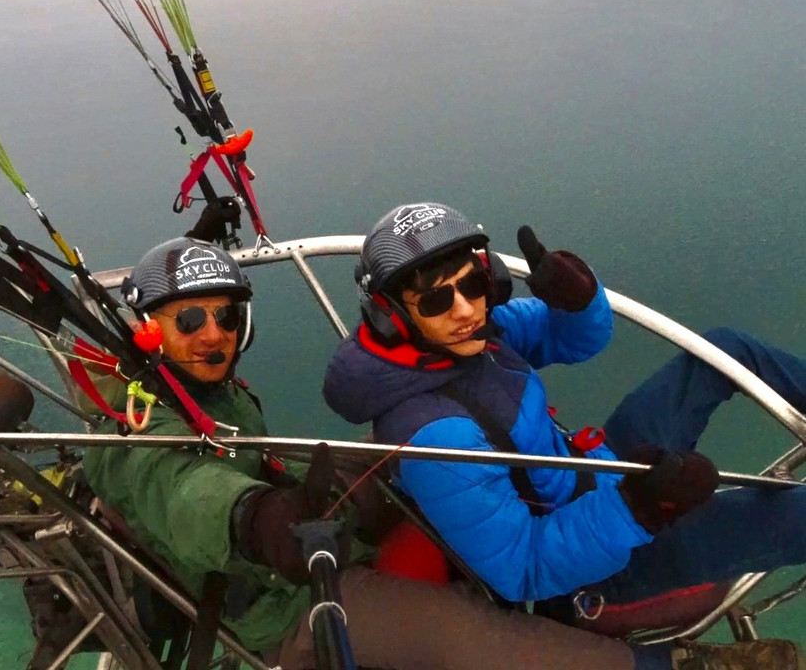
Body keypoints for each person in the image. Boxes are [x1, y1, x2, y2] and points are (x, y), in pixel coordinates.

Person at [79, 233, 666, 670]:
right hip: (280, 606)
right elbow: (182, 491)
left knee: (397, 457)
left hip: (303, 541)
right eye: (188, 318)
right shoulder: (127, 429)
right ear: (146, 328)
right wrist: (257, 518)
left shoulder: (200, 389)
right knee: (469, 632)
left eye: (227, 315)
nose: (214, 333)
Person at [323, 201, 806, 670]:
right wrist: (642, 507)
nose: (466, 307)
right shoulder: (435, 437)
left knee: (725, 352)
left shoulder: (468, 336)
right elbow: (522, 569)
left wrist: (577, 299)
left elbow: (576, 339)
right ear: (392, 314)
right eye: (436, 299)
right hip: (596, 573)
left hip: (595, 478)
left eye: (473, 283)